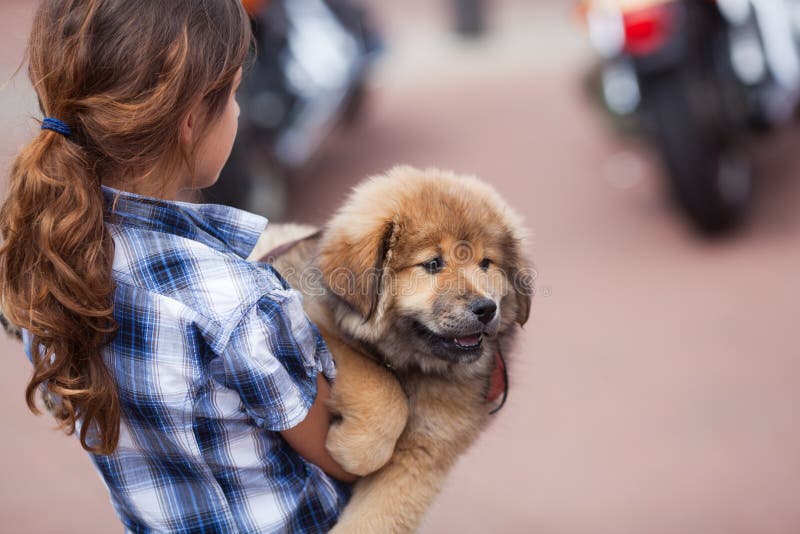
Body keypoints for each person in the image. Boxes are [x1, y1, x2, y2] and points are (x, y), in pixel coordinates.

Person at [0, 1, 356, 532]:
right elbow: (346, 450)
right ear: (190, 120)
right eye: (234, 93)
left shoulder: (45, 259)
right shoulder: (237, 304)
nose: (237, 110)